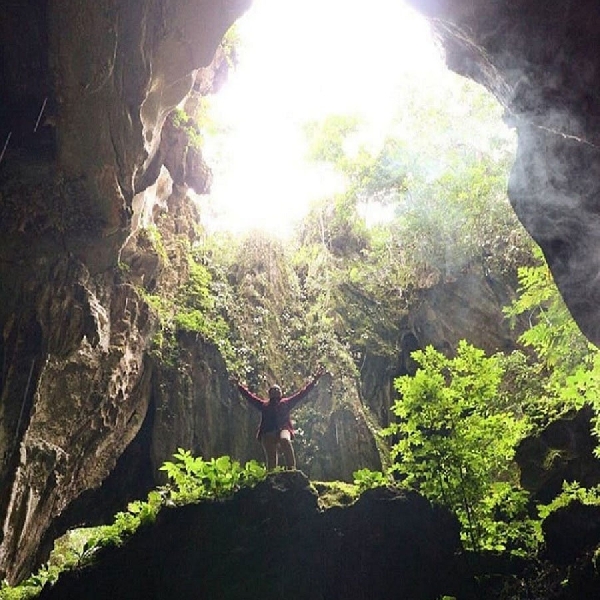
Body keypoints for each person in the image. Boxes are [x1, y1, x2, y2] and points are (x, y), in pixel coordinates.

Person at [231, 366, 326, 470]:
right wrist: (239, 386)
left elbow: (302, 394)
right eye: (273, 390)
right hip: (267, 431)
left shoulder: (286, 402)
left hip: (283, 428)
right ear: (269, 393)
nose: (275, 391)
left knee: (285, 439)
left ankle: (291, 468)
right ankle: (272, 473)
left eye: (277, 389)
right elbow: (250, 397)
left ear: (281, 393)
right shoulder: (264, 405)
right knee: (271, 456)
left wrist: (314, 380)